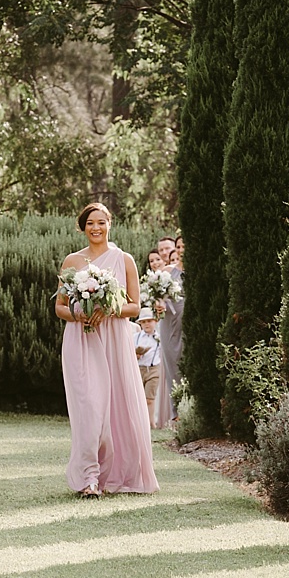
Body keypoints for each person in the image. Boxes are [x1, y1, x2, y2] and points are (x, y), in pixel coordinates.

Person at [55, 202, 158, 498]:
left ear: (110, 223)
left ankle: (114, 473)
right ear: (82, 227)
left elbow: (135, 306)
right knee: (89, 407)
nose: (96, 228)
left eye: (101, 222)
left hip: (114, 340)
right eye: (90, 223)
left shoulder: (124, 260)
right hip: (81, 341)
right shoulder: (72, 261)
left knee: (116, 407)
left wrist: (110, 308)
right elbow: (59, 307)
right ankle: (89, 478)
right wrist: (79, 314)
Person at [153, 237, 186, 430]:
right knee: (174, 368)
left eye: (184, 246)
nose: (181, 250)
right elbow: (155, 296)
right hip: (170, 325)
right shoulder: (166, 272)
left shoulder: (198, 272)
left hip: (190, 324)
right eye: (179, 246)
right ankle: (177, 417)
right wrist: (158, 304)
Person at [136, 307, 162, 422]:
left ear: (155, 321)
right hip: (139, 369)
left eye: (149, 321)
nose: (147, 324)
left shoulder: (159, 338)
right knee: (138, 398)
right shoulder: (135, 337)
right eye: (143, 322)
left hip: (153, 369)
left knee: (149, 398)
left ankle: (151, 422)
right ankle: (141, 421)